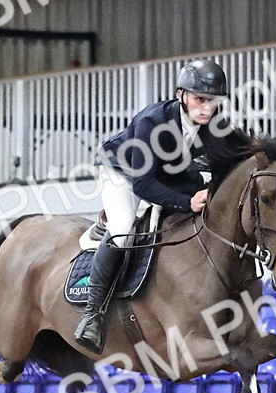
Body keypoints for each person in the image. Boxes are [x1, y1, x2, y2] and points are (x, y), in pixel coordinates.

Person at [73, 57, 230, 354]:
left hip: (167, 172)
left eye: (214, 101)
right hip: (123, 172)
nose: (207, 108)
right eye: (200, 99)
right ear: (180, 95)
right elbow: (143, 185)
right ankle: (92, 315)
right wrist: (186, 201)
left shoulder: (213, 123)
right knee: (123, 228)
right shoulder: (152, 122)